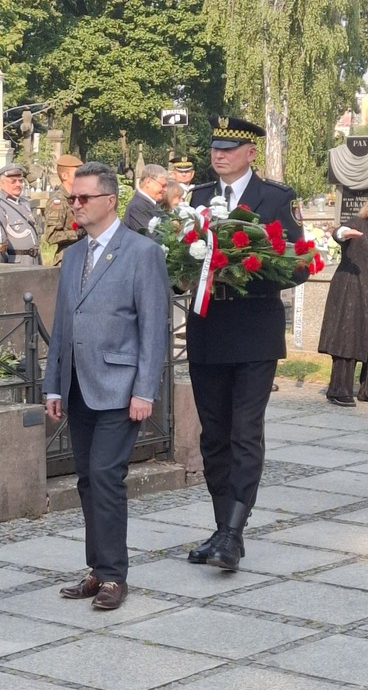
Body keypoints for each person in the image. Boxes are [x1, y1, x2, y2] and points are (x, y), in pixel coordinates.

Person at [44, 162, 170, 611]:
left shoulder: (142, 252)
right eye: (72, 198)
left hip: (120, 387)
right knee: (86, 479)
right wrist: (53, 385)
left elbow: (155, 328)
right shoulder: (75, 254)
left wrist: (144, 391)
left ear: (110, 201)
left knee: (105, 475)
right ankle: (97, 570)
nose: (74, 205)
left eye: (83, 198)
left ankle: (115, 575)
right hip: (78, 385)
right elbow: (62, 323)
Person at [186, 116, 307, 572]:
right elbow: (182, 263)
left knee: (244, 432)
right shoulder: (199, 199)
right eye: (215, 147)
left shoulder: (276, 198)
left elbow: (301, 263)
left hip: (254, 333)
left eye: (229, 148)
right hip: (207, 333)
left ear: (250, 152)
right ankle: (223, 531)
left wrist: (256, 262)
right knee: (213, 436)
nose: (219, 154)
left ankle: (233, 532)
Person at [318, 207, 368, 406]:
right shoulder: (357, 222)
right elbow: (338, 233)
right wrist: (342, 233)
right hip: (351, 285)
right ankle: (339, 388)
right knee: (347, 336)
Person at [43, 154, 86, 264]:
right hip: (67, 258)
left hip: (82, 255)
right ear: (64, 176)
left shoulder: (78, 197)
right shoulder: (58, 202)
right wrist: (78, 233)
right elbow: (51, 236)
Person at [0, 163, 42, 263]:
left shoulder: (24, 203)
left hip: (34, 260)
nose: (18, 184)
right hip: (16, 261)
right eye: (13, 181)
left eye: (20, 181)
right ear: (2, 183)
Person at [122, 164, 168, 233]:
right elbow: (150, 236)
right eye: (163, 186)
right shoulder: (137, 207)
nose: (165, 189)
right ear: (148, 183)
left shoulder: (149, 203)